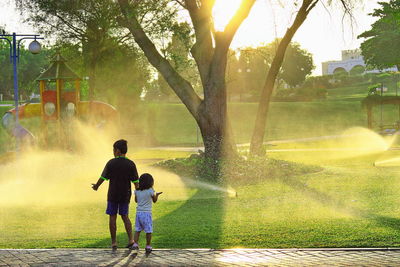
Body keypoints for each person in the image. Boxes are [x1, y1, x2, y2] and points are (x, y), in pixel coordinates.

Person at [91, 139, 139, 250]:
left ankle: (114, 243)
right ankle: (131, 240)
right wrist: (137, 195)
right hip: (125, 195)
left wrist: (96, 186)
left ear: (117, 151)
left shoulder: (111, 163)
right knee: (125, 216)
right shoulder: (131, 164)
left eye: (113, 150)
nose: (113, 152)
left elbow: (103, 177)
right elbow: (136, 182)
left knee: (112, 217)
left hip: (113, 194)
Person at [132, 173, 162, 253]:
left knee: (137, 230)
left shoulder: (137, 191)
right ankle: (148, 245)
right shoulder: (150, 191)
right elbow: (154, 201)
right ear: (150, 182)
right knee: (148, 231)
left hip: (138, 213)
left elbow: (136, 201)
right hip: (147, 214)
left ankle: (135, 244)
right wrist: (157, 195)